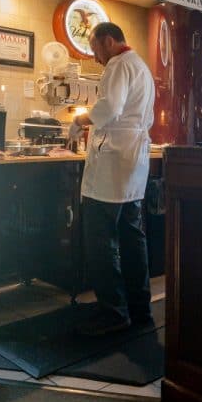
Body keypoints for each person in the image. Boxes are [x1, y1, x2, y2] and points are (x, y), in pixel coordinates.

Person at [69, 22, 155, 336]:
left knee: (100, 241)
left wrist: (79, 118)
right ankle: (140, 308)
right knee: (133, 238)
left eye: (95, 49)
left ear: (108, 41)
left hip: (111, 165)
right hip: (132, 163)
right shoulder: (140, 66)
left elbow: (109, 107)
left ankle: (113, 311)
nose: (95, 57)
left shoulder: (118, 64)